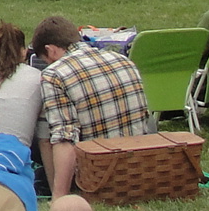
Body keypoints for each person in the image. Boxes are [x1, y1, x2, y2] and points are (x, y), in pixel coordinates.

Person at [34, 13, 151, 197]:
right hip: (140, 170)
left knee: (44, 127)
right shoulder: (123, 60)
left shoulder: (54, 75)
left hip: (97, 179)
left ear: (50, 50)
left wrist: (59, 197)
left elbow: (65, 139)